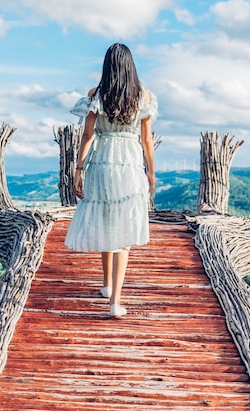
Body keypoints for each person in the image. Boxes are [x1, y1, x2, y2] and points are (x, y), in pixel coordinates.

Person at [64, 43, 157, 318]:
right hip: (129, 163)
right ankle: (115, 301)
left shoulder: (96, 95)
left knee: (105, 221)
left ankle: (106, 284)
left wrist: (78, 169)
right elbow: (147, 139)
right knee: (124, 230)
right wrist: (151, 171)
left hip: (103, 161)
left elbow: (87, 136)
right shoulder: (144, 96)